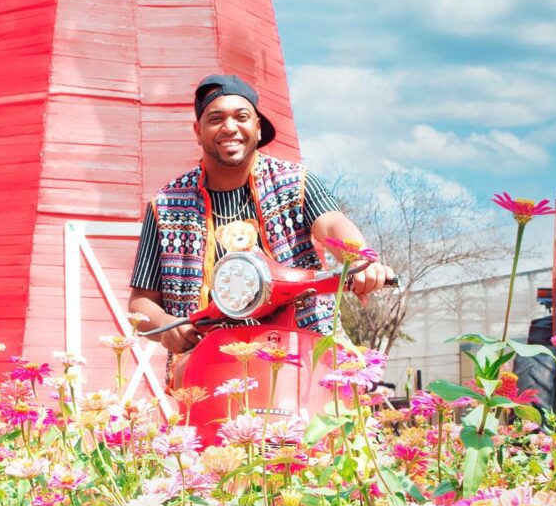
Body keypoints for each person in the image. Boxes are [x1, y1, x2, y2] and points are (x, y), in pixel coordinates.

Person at [128, 74, 389, 358]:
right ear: (198, 130)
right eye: (216, 119)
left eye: (241, 116)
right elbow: (141, 301)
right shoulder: (166, 205)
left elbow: (331, 223)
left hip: (300, 351)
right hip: (208, 360)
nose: (230, 128)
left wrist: (360, 258)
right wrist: (167, 326)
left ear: (258, 126)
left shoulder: (294, 182)